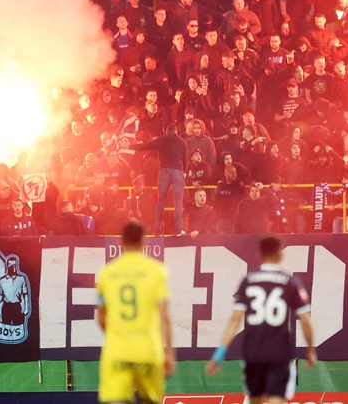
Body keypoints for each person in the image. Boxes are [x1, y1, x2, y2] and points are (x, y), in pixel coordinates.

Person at [206, 236, 317, 404]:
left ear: (259, 254)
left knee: (255, 399)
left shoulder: (248, 281)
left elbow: (235, 320)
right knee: (276, 398)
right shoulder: (291, 282)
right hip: (279, 352)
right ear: (280, 255)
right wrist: (310, 350)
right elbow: (305, 320)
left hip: (253, 352)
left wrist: (220, 354)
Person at [95, 223, 175, 404]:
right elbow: (165, 316)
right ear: (143, 241)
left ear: (121, 242)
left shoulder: (106, 274)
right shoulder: (157, 271)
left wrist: (117, 336)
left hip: (117, 352)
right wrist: (169, 352)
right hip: (148, 351)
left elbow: (100, 317)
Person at [131, 123, 188, 235]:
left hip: (164, 172)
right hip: (177, 171)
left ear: (166, 131)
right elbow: (185, 160)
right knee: (178, 202)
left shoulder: (161, 139)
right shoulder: (182, 142)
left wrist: (130, 146)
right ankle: (178, 229)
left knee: (161, 201)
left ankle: (157, 229)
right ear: (176, 131)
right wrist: (184, 172)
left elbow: (145, 146)